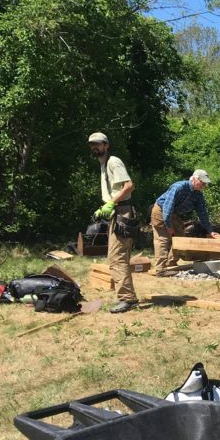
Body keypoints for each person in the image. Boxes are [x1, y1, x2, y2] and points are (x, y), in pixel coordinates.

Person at [89, 132, 140, 313]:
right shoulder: (103, 165)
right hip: (117, 212)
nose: (95, 147)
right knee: (117, 257)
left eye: (98, 144)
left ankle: (127, 299)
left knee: (117, 258)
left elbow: (129, 185)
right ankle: (128, 297)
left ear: (106, 145)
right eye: (92, 144)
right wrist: (104, 206)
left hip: (123, 213)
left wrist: (111, 202)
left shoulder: (113, 161)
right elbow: (116, 191)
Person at [151, 170, 220, 275]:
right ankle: (160, 270)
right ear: (194, 179)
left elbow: (203, 214)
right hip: (161, 211)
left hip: (172, 213)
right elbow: (167, 207)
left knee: (180, 237)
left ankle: (171, 264)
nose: (204, 185)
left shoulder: (198, 195)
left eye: (205, 183)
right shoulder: (179, 187)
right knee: (163, 239)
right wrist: (169, 226)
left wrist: (210, 231)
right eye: (203, 182)